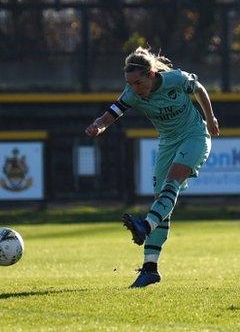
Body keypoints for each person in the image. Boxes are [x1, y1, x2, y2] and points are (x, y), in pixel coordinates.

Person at [85, 47, 219, 288]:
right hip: (167, 143)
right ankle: (150, 269)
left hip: (194, 136)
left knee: (172, 183)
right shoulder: (132, 93)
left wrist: (210, 119)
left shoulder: (174, 79)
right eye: (130, 83)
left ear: (152, 74)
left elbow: (199, 89)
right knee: (161, 203)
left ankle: (145, 226)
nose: (134, 88)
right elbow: (113, 112)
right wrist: (98, 125)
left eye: (137, 82)